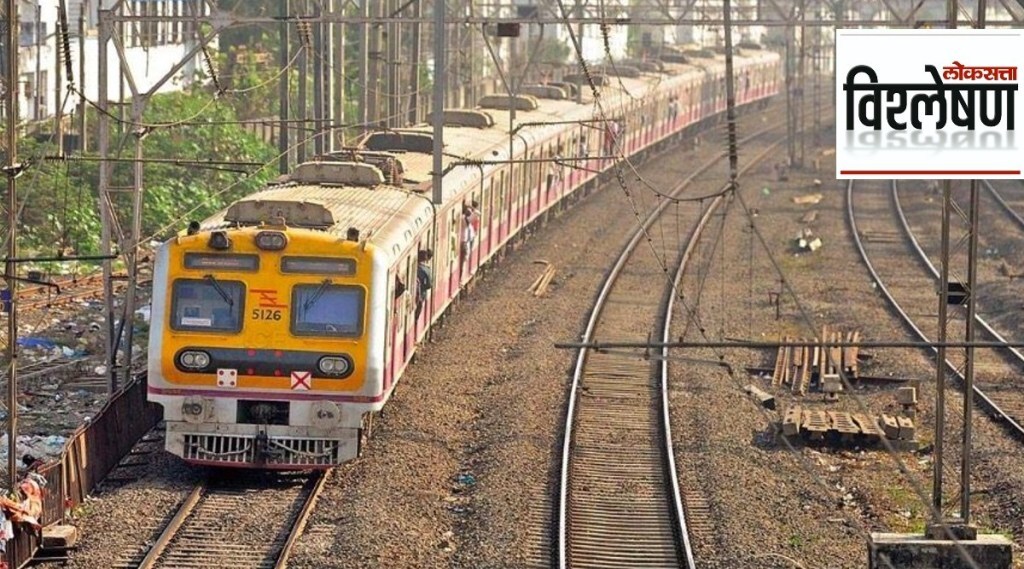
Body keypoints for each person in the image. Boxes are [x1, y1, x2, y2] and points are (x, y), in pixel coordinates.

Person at [416, 249, 433, 317]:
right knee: (418, 308)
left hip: (415, 294)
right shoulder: (426, 270)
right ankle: (416, 320)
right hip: (421, 294)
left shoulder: (418, 268)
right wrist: (422, 287)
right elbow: (429, 285)